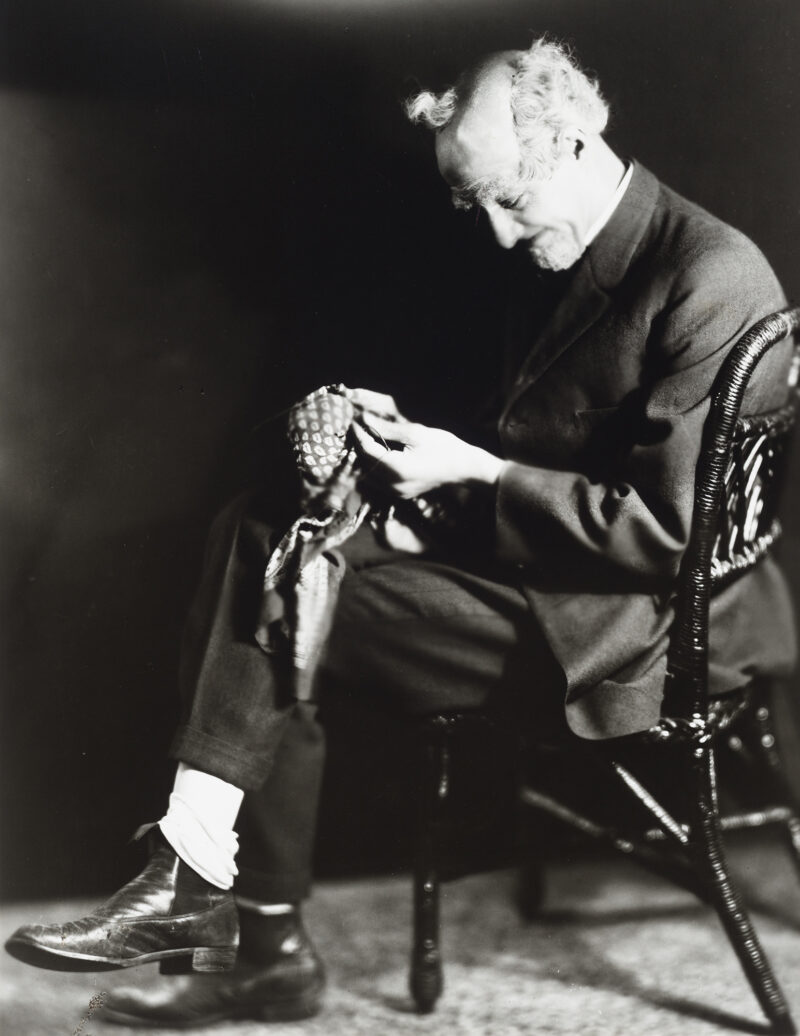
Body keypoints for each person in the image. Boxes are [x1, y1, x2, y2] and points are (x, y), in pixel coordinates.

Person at [6, 37, 796, 1026]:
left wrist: (475, 472)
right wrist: (398, 439)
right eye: (481, 207)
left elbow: (667, 534)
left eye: (510, 200)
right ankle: (199, 886)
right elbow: (532, 431)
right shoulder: (571, 243)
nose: (500, 235)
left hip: (644, 628)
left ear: (579, 138)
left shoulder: (708, 277)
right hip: (556, 577)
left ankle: (232, 917)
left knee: (286, 581)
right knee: (272, 533)